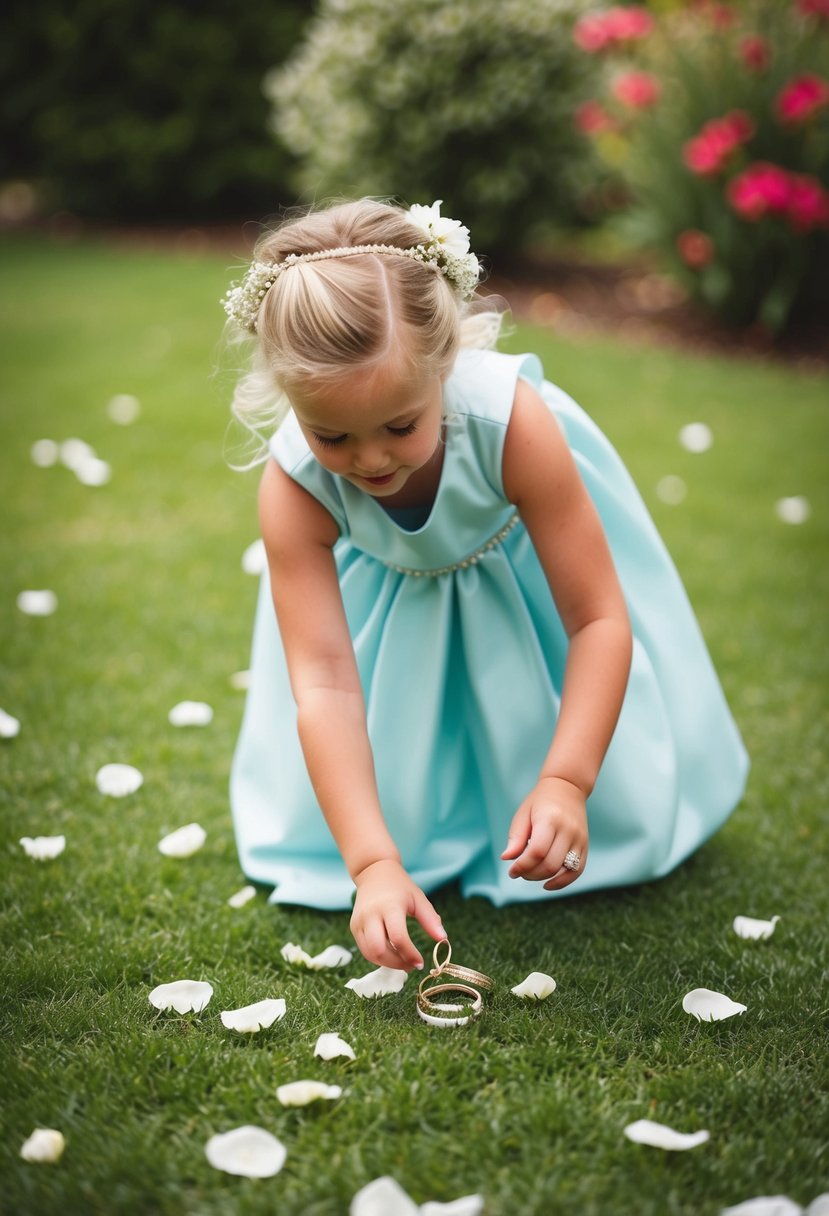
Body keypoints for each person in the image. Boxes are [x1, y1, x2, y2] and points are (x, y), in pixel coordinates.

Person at [225, 198, 748, 973]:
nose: (370, 462)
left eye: (401, 425)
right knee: (375, 832)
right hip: (394, 645)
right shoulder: (295, 484)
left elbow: (598, 619)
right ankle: (404, 840)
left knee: (582, 800)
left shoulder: (511, 426)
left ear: (443, 366)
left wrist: (567, 781)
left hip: (527, 615)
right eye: (332, 434)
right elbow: (327, 681)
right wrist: (370, 864)